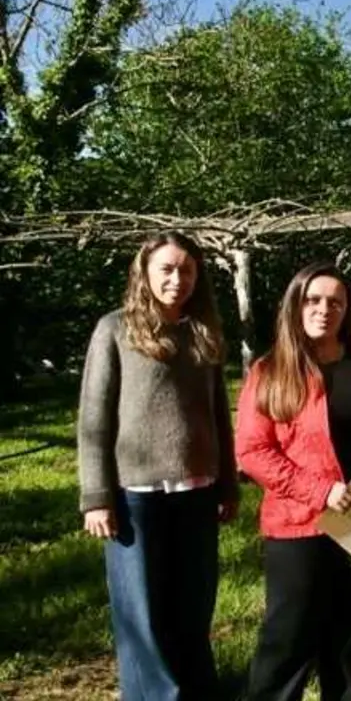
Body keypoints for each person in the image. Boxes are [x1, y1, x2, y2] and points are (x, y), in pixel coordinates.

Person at [236, 262, 351, 700]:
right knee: (290, 634)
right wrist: (320, 491)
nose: (324, 309)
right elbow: (252, 451)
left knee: (350, 630)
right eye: (313, 300)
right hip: (300, 520)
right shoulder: (270, 370)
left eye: (335, 301)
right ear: (295, 306)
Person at [77, 231, 238, 700]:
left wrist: (227, 485)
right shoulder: (115, 330)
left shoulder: (203, 333)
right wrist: (96, 497)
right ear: (144, 272)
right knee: (142, 615)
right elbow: (93, 418)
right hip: (136, 499)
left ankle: (197, 690)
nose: (177, 279)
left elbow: (218, 416)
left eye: (187, 270)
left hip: (197, 494)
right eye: (166, 269)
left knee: (192, 607)